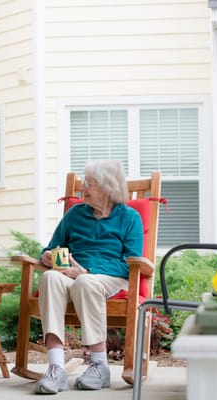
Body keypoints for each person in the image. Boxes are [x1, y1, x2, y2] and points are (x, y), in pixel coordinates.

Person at [34, 160, 143, 394]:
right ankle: (56, 368)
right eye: (85, 183)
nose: (84, 189)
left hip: (109, 277)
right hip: (69, 274)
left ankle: (99, 365)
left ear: (108, 187)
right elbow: (52, 246)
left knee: (85, 281)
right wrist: (46, 257)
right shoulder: (75, 214)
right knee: (49, 279)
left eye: (90, 184)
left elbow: (131, 262)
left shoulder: (129, 217)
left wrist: (88, 271)